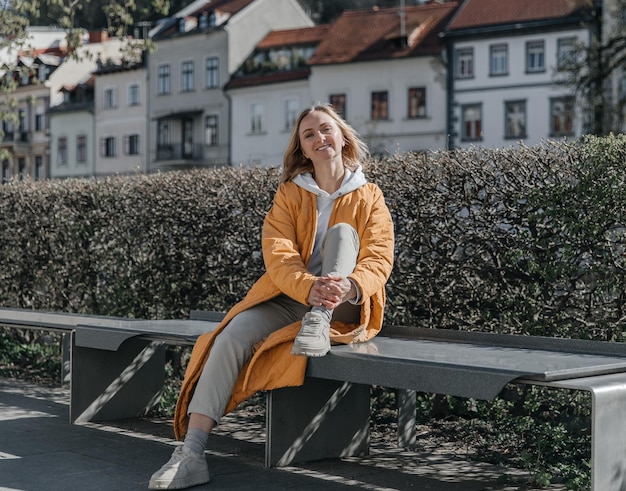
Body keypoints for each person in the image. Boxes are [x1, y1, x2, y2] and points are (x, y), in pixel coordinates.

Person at [148, 103, 395, 490]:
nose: (319, 138)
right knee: (229, 336)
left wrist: (345, 286)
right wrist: (308, 287)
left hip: (346, 299)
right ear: (302, 149)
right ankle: (191, 453)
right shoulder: (289, 194)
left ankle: (320, 317)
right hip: (293, 294)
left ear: (342, 135)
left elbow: (379, 256)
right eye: (308, 135)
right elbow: (277, 254)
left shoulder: (370, 195)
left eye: (325, 129)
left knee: (344, 235)